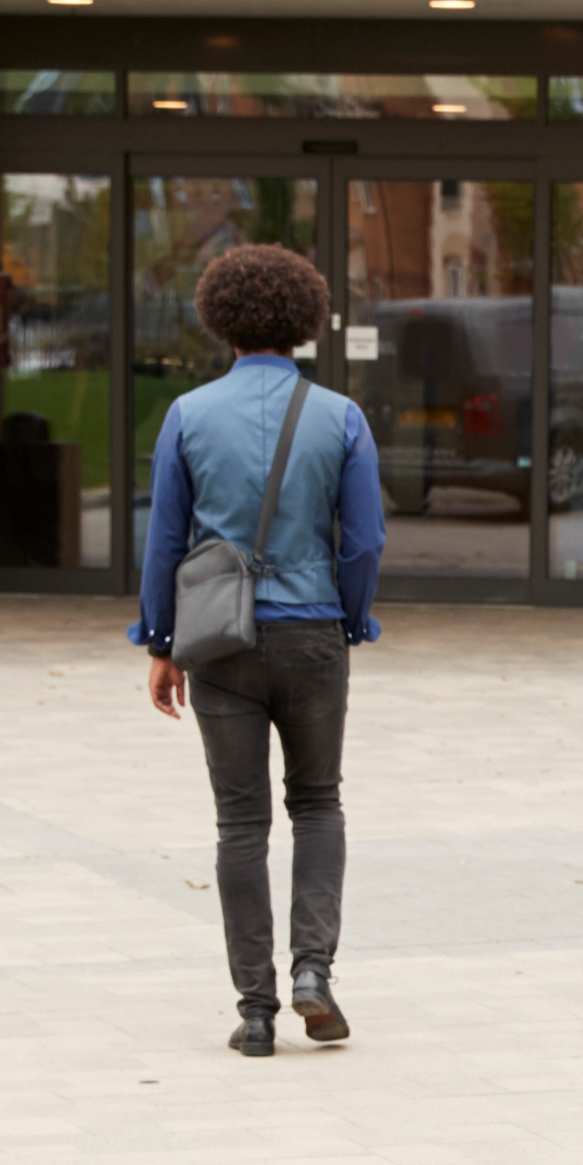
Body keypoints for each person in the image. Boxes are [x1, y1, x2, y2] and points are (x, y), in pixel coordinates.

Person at [132, 242, 388, 1058]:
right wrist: (349, 618)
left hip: (221, 641)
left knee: (238, 820)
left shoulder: (188, 414)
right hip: (313, 631)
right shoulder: (341, 416)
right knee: (317, 803)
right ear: (304, 319)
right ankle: (314, 968)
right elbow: (366, 540)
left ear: (221, 318)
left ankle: (254, 1008)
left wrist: (161, 641)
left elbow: (165, 537)